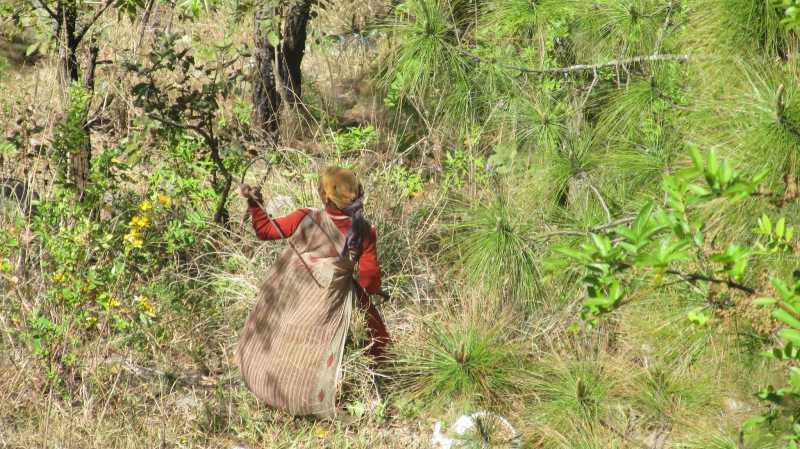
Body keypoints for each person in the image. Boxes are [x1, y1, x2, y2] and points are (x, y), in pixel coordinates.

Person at [235, 166, 390, 418]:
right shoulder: (364, 231)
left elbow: (265, 231)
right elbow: (369, 280)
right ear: (358, 193)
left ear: (325, 197)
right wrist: (366, 287)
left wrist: (255, 204)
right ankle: (370, 389)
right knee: (376, 338)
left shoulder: (306, 217)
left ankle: (267, 383)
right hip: (334, 299)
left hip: (293, 295)